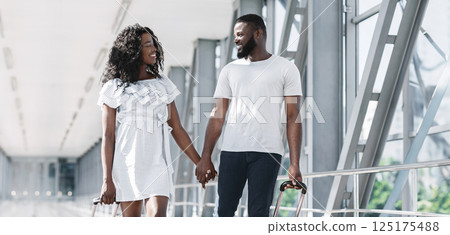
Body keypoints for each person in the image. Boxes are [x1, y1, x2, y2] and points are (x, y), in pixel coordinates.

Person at [196, 14, 303, 217]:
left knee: (258, 214)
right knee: (224, 211)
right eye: (235, 35)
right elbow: (218, 115)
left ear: (258, 33)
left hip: (268, 153)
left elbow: (293, 116)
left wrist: (295, 163)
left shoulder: (286, 68)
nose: (236, 39)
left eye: (240, 35)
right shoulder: (230, 70)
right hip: (231, 151)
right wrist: (206, 156)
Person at [98, 24, 208, 217]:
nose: (154, 49)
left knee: (158, 216)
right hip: (127, 164)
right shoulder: (114, 87)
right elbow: (108, 136)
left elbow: (177, 128)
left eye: (153, 44)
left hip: (158, 164)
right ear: (133, 50)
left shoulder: (162, 83)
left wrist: (199, 162)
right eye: (148, 45)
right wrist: (107, 180)